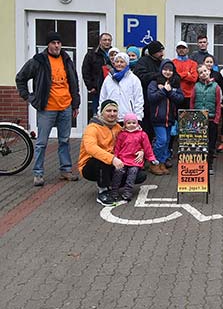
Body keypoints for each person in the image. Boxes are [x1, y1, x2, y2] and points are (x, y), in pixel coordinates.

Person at [16, 31, 80, 186]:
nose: (56, 46)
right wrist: (29, 97)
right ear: (48, 45)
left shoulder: (67, 59)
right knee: (41, 142)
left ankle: (65, 170)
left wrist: (75, 104)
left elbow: (74, 82)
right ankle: (38, 173)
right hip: (47, 108)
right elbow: (21, 78)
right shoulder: (38, 60)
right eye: (53, 43)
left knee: (64, 140)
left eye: (58, 43)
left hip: (65, 106)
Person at [79, 100, 146, 206]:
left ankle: (112, 186)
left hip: (112, 163)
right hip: (91, 165)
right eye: (108, 111)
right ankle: (103, 191)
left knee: (140, 175)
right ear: (102, 112)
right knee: (102, 160)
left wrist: (141, 151)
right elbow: (90, 147)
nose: (112, 114)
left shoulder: (118, 127)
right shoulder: (92, 128)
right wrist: (112, 159)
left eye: (115, 111)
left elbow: (133, 141)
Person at [147, 59, 184, 175]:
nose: (167, 72)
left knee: (167, 142)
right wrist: (163, 90)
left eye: (170, 70)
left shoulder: (175, 83)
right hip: (158, 118)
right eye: (165, 69)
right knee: (161, 141)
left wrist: (170, 92)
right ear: (161, 70)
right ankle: (154, 163)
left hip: (170, 118)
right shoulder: (154, 83)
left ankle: (162, 163)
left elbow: (180, 98)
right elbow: (151, 97)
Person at [112, 113, 159, 201]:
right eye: (128, 123)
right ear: (125, 124)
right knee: (118, 172)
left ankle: (128, 192)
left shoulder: (142, 134)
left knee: (132, 174)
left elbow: (147, 147)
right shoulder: (122, 134)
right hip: (123, 159)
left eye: (134, 123)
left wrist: (151, 158)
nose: (131, 125)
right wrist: (115, 157)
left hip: (135, 160)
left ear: (137, 123)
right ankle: (114, 191)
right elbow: (117, 147)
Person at [191, 64, 222, 175]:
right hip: (199, 120)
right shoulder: (196, 86)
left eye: (205, 71)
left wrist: (217, 119)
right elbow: (192, 102)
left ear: (209, 71)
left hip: (212, 119)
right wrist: (192, 117)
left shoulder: (216, 87)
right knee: (199, 143)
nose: (203, 74)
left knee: (211, 144)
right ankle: (200, 164)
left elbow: (218, 104)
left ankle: (209, 164)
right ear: (198, 75)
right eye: (201, 72)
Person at [98, 52, 144, 123]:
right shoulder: (108, 79)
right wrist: (100, 113)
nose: (119, 64)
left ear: (127, 63)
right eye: (117, 62)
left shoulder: (134, 79)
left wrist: (138, 117)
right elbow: (103, 97)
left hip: (128, 119)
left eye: (122, 62)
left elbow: (139, 99)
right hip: (110, 117)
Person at [133, 40, 164, 138]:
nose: (162, 54)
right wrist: (157, 76)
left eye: (162, 51)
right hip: (145, 99)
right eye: (159, 52)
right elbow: (140, 76)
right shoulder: (143, 62)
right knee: (147, 126)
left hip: (159, 100)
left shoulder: (162, 62)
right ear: (153, 52)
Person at [82, 32, 112, 117]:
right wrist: (90, 86)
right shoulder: (92, 54)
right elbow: (85, 71)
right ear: (100, 41)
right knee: (98, 114)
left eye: (109, 40)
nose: (107, 42)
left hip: (111, 89)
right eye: (104, 40)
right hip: (97, 89)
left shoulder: (114, 54)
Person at [173, 40, 198, 108]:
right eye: (179, 48)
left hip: (189, 95)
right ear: (176, 50)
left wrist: (179, 75)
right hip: (176, 94)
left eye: (183, 48)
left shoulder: (193, 63)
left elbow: (194, 78)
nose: (181, 50)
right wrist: (187, 74)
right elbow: (173, 77)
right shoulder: (172, 63)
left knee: (188, 114)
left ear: (187, 50)